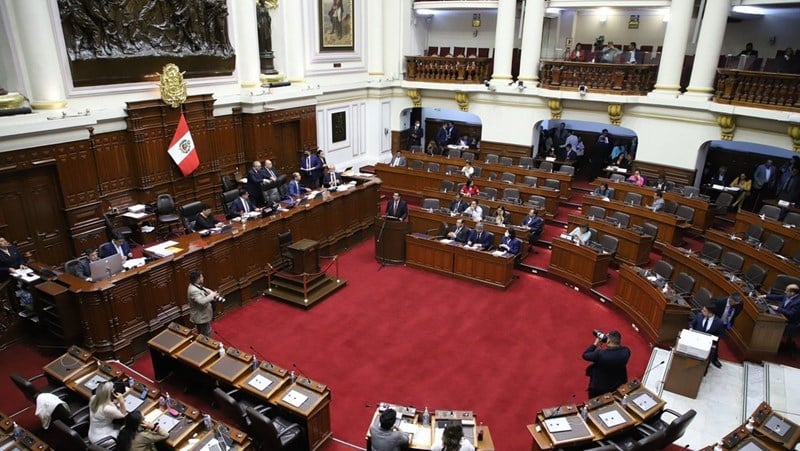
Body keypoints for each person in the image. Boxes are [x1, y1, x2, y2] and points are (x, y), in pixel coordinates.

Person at [582, 330, 631, 397]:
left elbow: (585, 355)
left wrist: (595, 344)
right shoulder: (626, 351)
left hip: (599, 387)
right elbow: (618, 348)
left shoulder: (600, 354)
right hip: (617, 384)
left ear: (608, 341)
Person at [760, 284, 800, 352]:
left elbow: (791, 314)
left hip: (791, 323)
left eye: (786, 291)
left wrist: (778, 308)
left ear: (792, 293)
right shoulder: (789, 295)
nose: (784, 292)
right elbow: (779, 297)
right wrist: (765, 296)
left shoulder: (798, 302)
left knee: (767, 322)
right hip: (782, 316)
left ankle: (768, 345)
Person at [188, 270, 221, 336]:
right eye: (202, 277)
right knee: (206, 335)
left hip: (203, 314)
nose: (203, 278)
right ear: (198, 279)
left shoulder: (195, 285)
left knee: (205, 333)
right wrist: (212, 295)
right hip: (201, 317)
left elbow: (204, 289)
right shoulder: (193, 290)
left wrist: (212, 293)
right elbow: (202, 301)